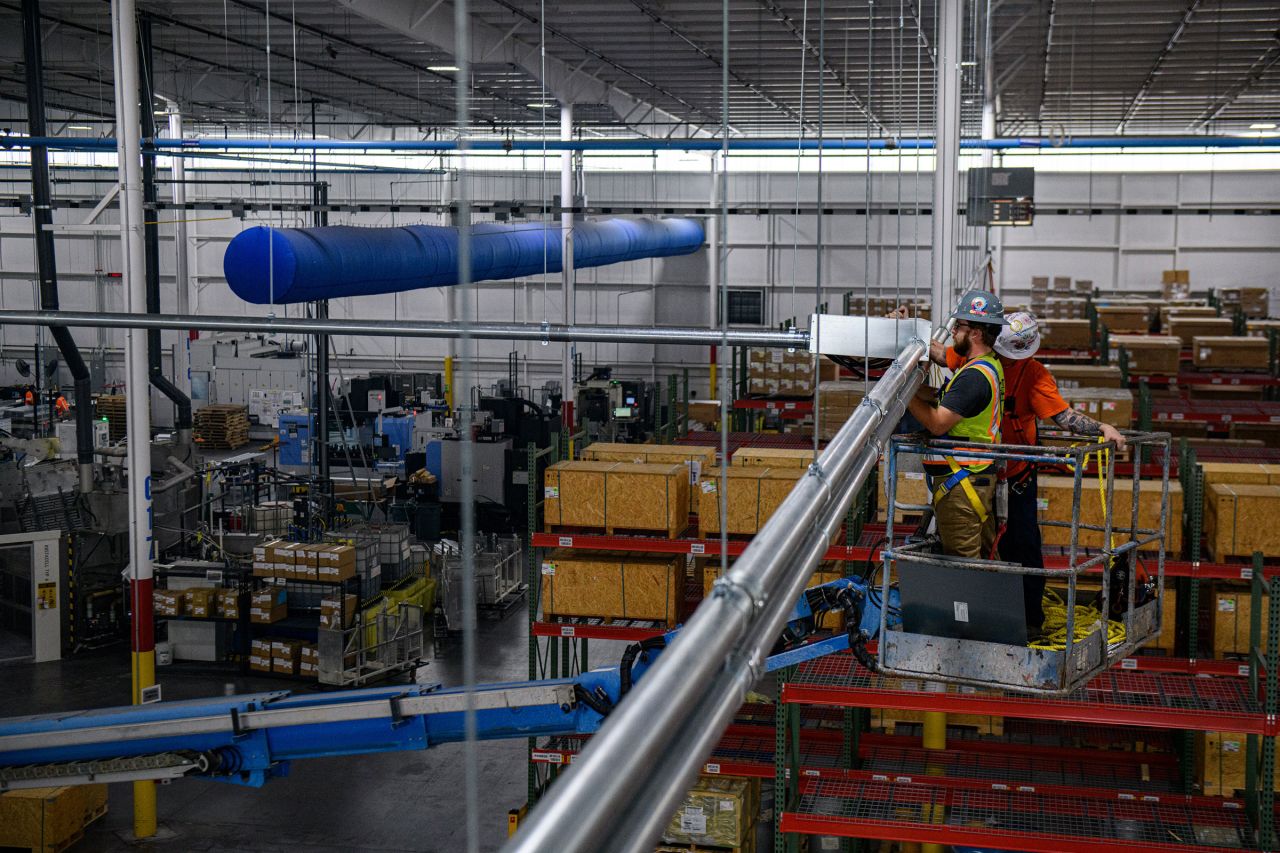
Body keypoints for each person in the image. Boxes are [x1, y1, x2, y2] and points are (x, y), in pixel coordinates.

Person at [896, 304, 1128, 629]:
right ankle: (995, 618)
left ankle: (1028, 619)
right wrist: (905, 329)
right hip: (980, 473)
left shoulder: (1031, 374)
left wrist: (1101, 427)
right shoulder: (978, 361)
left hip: (1015, 474)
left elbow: (1062, 415)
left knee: (1022, 544)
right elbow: (940, 353)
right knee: (987, 546)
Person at [905, 290, 1006, 561]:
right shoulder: (983, 365)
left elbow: (938, 424)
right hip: (972, 478)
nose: (952, 333)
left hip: (962, 484)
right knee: (980, 560)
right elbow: (943, 396)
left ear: (975, 333)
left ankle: (973, 605)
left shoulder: (974, 377)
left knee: (963, 564)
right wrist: (906, 329)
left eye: (958, 327)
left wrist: (902, 394)